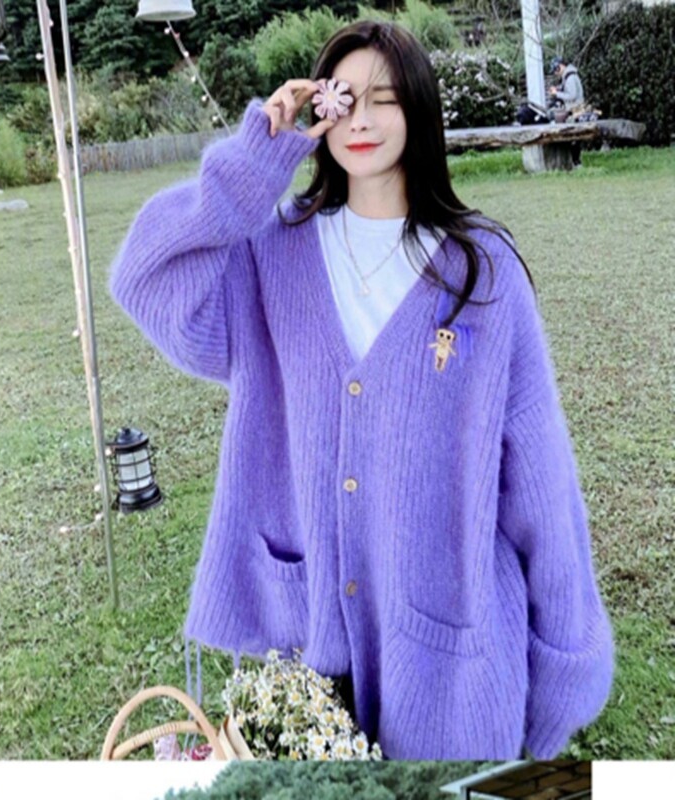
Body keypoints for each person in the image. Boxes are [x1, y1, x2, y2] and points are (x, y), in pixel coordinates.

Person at [110, 21, 613, 760]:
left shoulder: (483, 273)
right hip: (305, 641)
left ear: (419, 111)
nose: (364, 119)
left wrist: (565, 666)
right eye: (344, 99)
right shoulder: (273, 254)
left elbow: (540, 483)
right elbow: (147, 279)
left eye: (387, 98)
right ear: (319, 110)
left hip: (448, 662)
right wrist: (254, 162)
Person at [549, 55, 586, 164]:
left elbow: (572, 95)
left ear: (560, 66)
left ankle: (576, 162)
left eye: (555, 70)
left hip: (576, 110)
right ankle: (573, 161)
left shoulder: (570, 77)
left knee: (574, 138)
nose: (555, 73)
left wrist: (557, 94)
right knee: (573, 137)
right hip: (574, 110)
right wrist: (558, 89)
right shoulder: (568, 76)